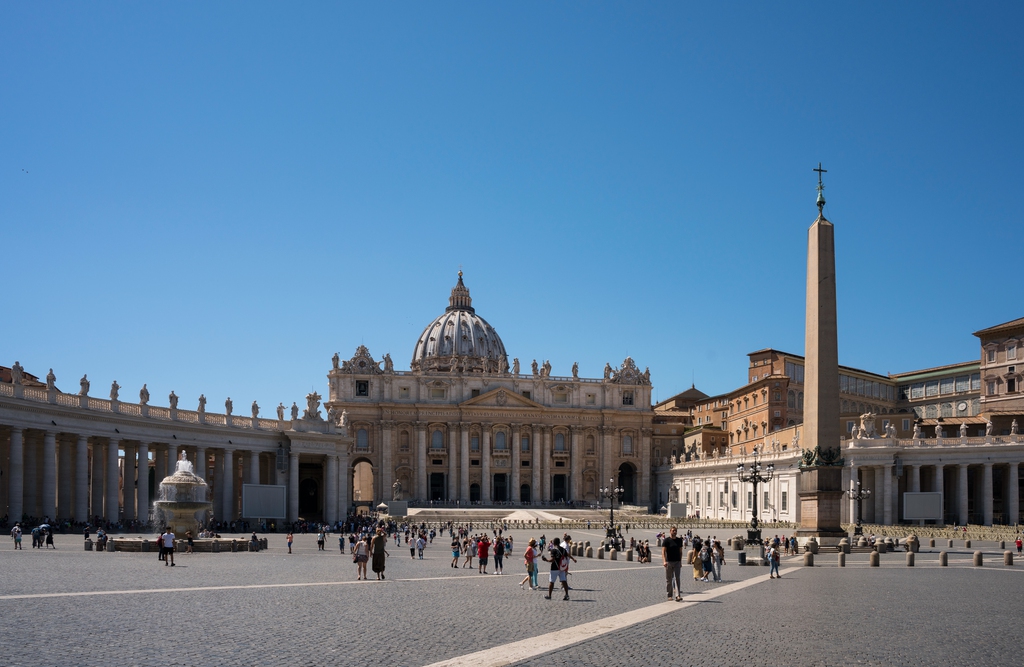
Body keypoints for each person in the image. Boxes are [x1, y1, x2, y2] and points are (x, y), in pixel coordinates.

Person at [662, 526, 684, 601]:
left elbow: (680, 551)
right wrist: (664, 561)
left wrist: (680, 561)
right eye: (673, 531)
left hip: (677, 561)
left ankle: (678, 595)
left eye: (675, 531)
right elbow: (663, 552)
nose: (674, 532)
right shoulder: (666, 540)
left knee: (677, 578)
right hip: (669, 562)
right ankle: (669, 595)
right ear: (670, 531)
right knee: (669, 579)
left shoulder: (679, 540)